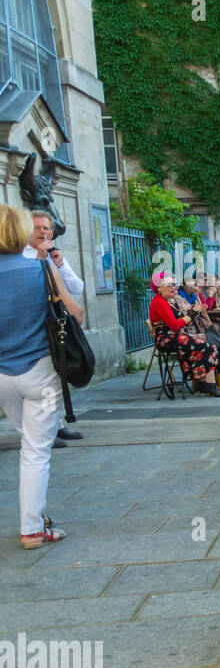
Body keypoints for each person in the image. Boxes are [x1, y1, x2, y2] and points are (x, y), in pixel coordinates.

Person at [0, 205, 82, 548]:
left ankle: (37, 519)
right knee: (36, 451)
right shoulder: (42, 267)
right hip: (40, 373)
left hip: (3, 377)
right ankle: (32, 527)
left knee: (27, 443)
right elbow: (75, 313)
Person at [23, 210, 85, 447]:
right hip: (34, 327)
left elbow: (76, 288)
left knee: (54, 378)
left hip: (56, 324)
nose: (43, 232)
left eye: (46, 228)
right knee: (39, 382)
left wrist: (59, 264)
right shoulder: (22, 257)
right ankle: (41, 430)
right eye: (38, 228)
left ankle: (56, 425)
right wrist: (40, 260)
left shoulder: (53, 255)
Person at [149, 271, 220, 397]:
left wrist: (192, 334)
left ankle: (203, 383)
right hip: (166, 338)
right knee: (206, 346)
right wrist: (192, 314)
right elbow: (174, 325)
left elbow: (180, 325)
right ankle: (208, 385)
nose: (173, 287)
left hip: (177, 335)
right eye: (169, 285)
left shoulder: (170, 301)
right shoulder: (159, 302)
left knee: (208, 344)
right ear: (159, 288)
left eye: (174, 284)